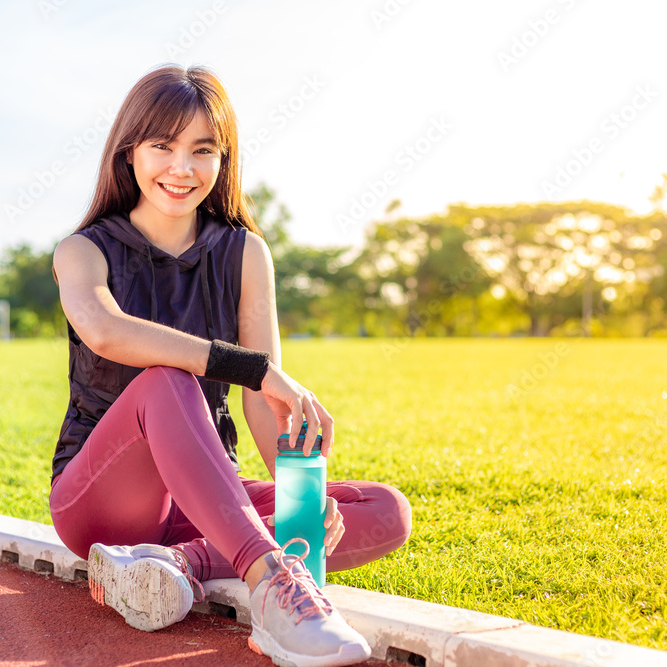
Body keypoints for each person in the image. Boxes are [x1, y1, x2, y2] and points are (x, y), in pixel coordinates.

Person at [49, 64, 412, 667]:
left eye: (203, 150)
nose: (181, 168)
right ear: (129, 153)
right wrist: (255, 367)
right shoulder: (82, 250)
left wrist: (301, 496)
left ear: (224, 159)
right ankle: (271, 585)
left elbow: (258, 402)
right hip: (103, 503)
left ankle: (180, 566)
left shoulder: (245, 252)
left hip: (203, 500)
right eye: (162, 146)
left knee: (382, 510)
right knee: (166, 380)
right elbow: (107, 331)